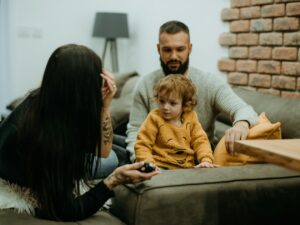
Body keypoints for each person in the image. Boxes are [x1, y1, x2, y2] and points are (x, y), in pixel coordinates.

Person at [0, 44, 159, 221]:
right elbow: (65, 210)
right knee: (115, 158)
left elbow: (101, 150)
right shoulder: (43, 140)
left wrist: (105, 106)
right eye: (96, 77)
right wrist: (114, 180)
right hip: (31, 161)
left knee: (119, 143)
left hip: (54, 150)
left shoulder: (52, 100)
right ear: (81, 87)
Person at [126, 20, 258, 162]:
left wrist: (242, 124)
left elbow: (243, 109)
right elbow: (135, 130)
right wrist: (140, 162)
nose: (174, 56)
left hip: (198, 159)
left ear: (190, 48)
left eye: (180, 49)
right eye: (167, 50)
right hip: (158, 160)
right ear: (158, 49)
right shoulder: (145, 84)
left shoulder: (209, 83)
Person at [135, 75, 215, 169]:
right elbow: (143, 144)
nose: (165, 107)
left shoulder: (191, 117)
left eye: (172, 103)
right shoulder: (154, 117)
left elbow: (200, 141)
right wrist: (149, 164)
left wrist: (206, 160)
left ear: (184, 104)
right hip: (160, 166)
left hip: (187, 167)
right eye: (162, 101)